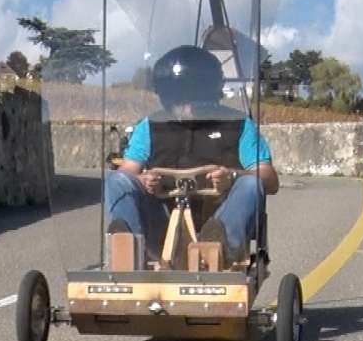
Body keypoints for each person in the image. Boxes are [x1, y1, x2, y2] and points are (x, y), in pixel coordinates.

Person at [105, 44, 279, 266]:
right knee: (116, 180)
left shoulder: (238, 125)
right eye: (178, 101)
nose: (186, 108)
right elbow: (127, 172)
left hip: (219, 220)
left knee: (251, 183)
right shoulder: (149, 126)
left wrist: (232, 176)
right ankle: (127, 252)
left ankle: (217, 249)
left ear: (209, 93)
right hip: (161, 227)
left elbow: (270, 179)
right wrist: (143, 180)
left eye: (193, 99)